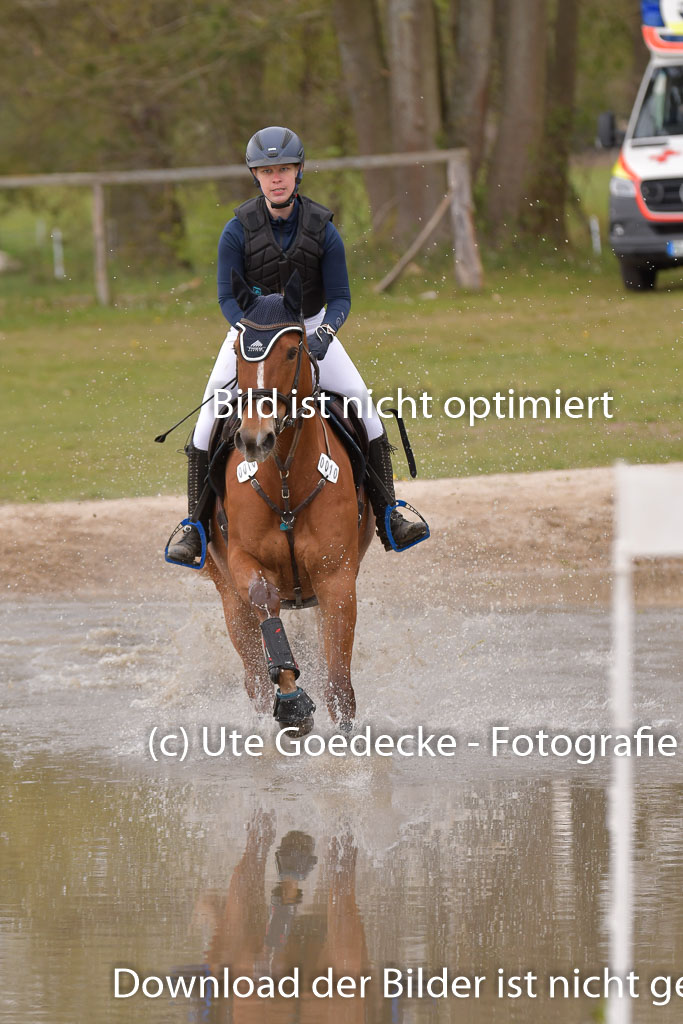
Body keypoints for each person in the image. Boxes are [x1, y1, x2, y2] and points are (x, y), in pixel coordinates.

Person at [168, 125, 428, 564]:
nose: (277, 178)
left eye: (284, 169)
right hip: (251, 331)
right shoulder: (236, 230)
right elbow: (226, 299)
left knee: (364, 404)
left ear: (298, 171)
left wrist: (325, 332)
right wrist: (248, 332)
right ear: (256, 175)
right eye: (267, 170)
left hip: (309, 325)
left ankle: (389, 515)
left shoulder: (323, 230)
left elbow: (341, 297)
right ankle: (193, 525)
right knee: (210, 409)